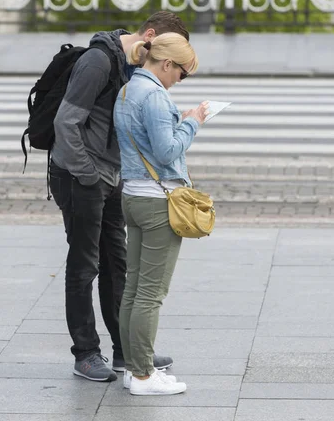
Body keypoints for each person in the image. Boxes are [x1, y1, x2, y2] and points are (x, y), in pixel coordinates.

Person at [49, 11, 189, 383]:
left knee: (118, 263)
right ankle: (86, 353)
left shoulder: (132, 66)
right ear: (150, 36)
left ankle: (127, 351)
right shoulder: (97, 61)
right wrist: (90, 175)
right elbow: (66, 123)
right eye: (161, 52)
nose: (163, 63)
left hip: (112, 178)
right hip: (80, 175)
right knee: (84, 265)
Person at [113, 33, 209, 396]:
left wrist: (179, 120)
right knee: (150, 294)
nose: (180, 80)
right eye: (182, 74)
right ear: (166, 64)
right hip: (158, 202)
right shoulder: (154, 95)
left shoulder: (129, 88)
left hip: (134, 197)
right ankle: (142, 376)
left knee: (134, 290)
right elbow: (167, 152)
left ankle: (135, 369)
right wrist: (193, 121)